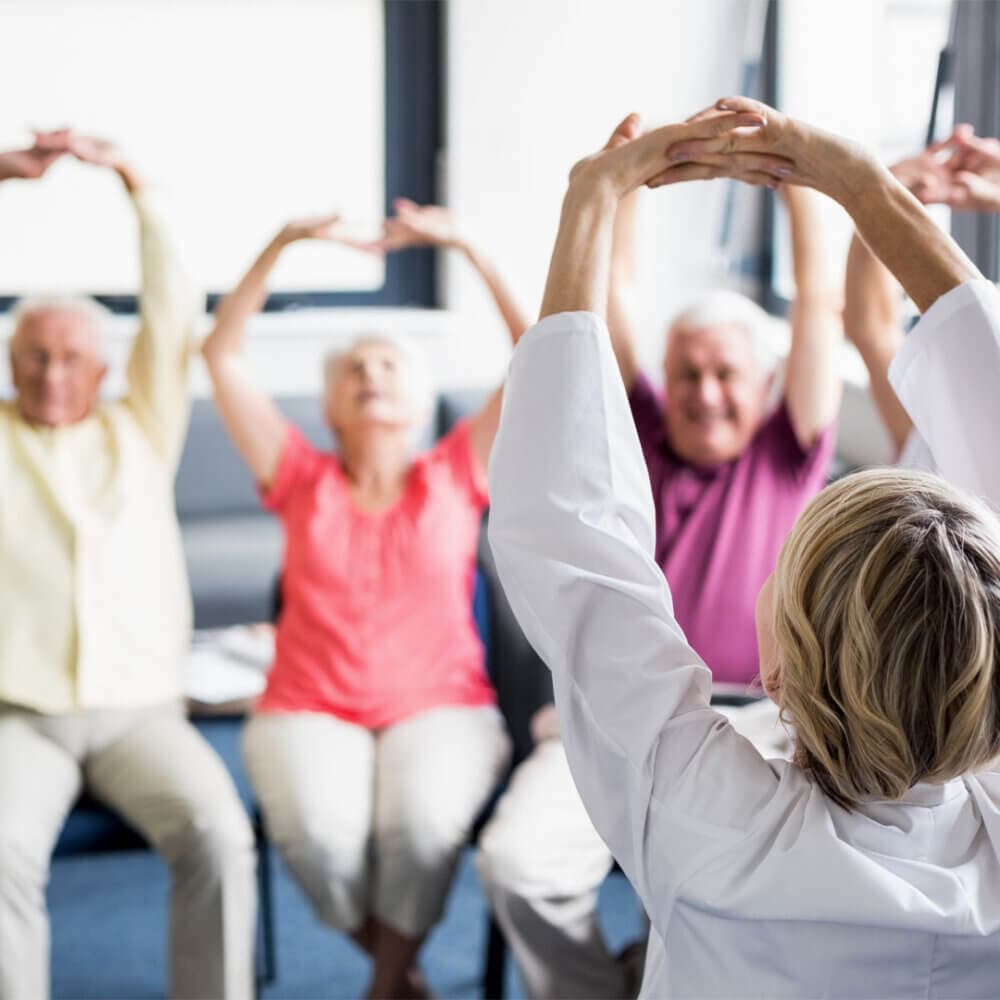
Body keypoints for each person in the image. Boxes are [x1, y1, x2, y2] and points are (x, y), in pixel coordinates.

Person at [487, 99, 1000, 998]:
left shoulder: (711, 829)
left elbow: (569, 535)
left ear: (779, 674)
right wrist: (858, 181)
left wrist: (590, 198)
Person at [476, 114, 840, 1000]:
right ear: (661, 382)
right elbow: (608, 300)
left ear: (762, 386)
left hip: (768, 723)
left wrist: (792, 182)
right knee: (517, 866)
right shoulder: (637, 430)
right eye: (687, 375)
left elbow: (822, 301)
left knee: (739, 899)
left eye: (725, 376)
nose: (706, 395)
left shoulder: (789, 447)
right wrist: (623, 183)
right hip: (615, 717)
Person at [201, 200, 518, 999]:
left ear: (417, 403)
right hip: (308, 703)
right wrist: (281, 240)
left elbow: (542, 354)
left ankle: (382, 986)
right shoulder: (299, 474)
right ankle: (400, 970)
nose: (371, 375)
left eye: (389, 367)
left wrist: (471, 244)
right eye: (354, 370)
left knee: (420, 830)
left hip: (442, 704)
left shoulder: (453, 472)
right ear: (332, 407)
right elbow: (222, 353)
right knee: (320, 841)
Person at [0, 133, 256, 1000]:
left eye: (73, 356)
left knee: (220, 834)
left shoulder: (140, 429)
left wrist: (138, 188)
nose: (52, 372)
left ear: (105, 367)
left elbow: (174, 306)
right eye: (35, 354)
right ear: (10, 361)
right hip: (19, 715)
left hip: (140, 715)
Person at [845, 123, 1000, 473]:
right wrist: (884, 193)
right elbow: (871, 327)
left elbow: (871, 328)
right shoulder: (943, 442)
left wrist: (874, 192)